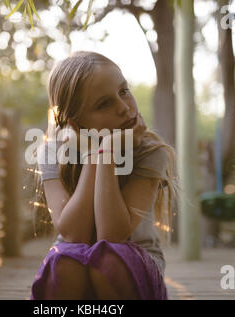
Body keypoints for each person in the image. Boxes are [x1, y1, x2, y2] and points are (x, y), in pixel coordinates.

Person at [30, 51, 180, 300]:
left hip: (131, 266)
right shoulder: (53, 152)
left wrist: (107, 151)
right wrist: (92, 154)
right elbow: (73, 234)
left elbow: (112, 236)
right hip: (74, 263)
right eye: (103, 104)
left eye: (123, 91)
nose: (124, 107)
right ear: (73, 122)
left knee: (108, 261)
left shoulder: (149, 151)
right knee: (65, 262)